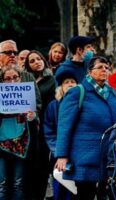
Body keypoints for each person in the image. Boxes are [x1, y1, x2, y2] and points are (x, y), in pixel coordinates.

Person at [55, 56, 116, 200]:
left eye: (107, 67)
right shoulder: (77, 92)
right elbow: (64, 126)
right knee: (85, 195)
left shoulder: (113, 93)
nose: (104, 70)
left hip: (109, 157)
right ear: (89, 72)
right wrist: (62, 155)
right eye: (100, 67)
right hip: (85, 158)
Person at [0, 67, 38, 200]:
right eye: (8, 78)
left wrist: (32, 117)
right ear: (3, 81)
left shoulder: (27, 95)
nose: (12, 81)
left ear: (20, 78)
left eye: (15, 77)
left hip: (22, 146)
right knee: (2, 184)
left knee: (18, 183)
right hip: (2, 146)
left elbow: (36, 121)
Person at [24, 50, 57, 200]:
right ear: (28, 66)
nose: (37, 62)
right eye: (32, 61)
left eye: (39, 58)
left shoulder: (52, 80)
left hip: (45, 127)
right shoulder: (25, 81)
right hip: (28, 128)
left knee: (42, 165)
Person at [44, 69, 78, 200]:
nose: (70, 84)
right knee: (60, 189)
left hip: (78, 153)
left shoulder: (82, 104)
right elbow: (49, 132)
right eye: (66, 82)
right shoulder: (53, 106)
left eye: (73, 82)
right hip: (59, 156)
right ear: (61, 87)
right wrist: (58, 151)